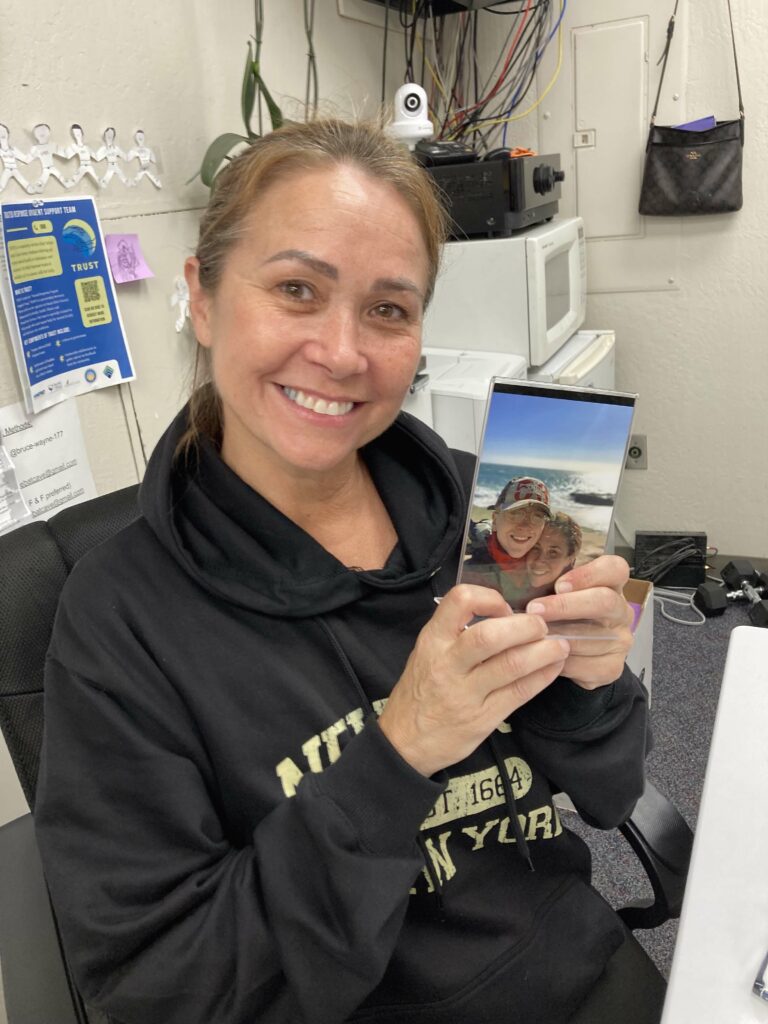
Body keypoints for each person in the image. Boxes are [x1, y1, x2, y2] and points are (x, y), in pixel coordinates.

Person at [34, 119, 663, 1024]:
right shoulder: (115, 623)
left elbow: (609, 794)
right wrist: (402, 747)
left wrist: (593, 685)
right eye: (297, 288)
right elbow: (167, 993)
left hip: (577, 978)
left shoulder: (471, 506)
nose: (341, 353)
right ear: (202, 299)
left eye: (388, 309)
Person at [460, 476, 553, 609]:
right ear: (495, 520)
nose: (525, 526)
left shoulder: (547, 569)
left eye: (537, 516)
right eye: (515, 514)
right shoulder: (468, 572)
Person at [526, 511, 584, 602]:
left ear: (570, 559)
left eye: (553, 552)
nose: (539, 560)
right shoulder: (506, 582)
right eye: (535, 548)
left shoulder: (576, 600)